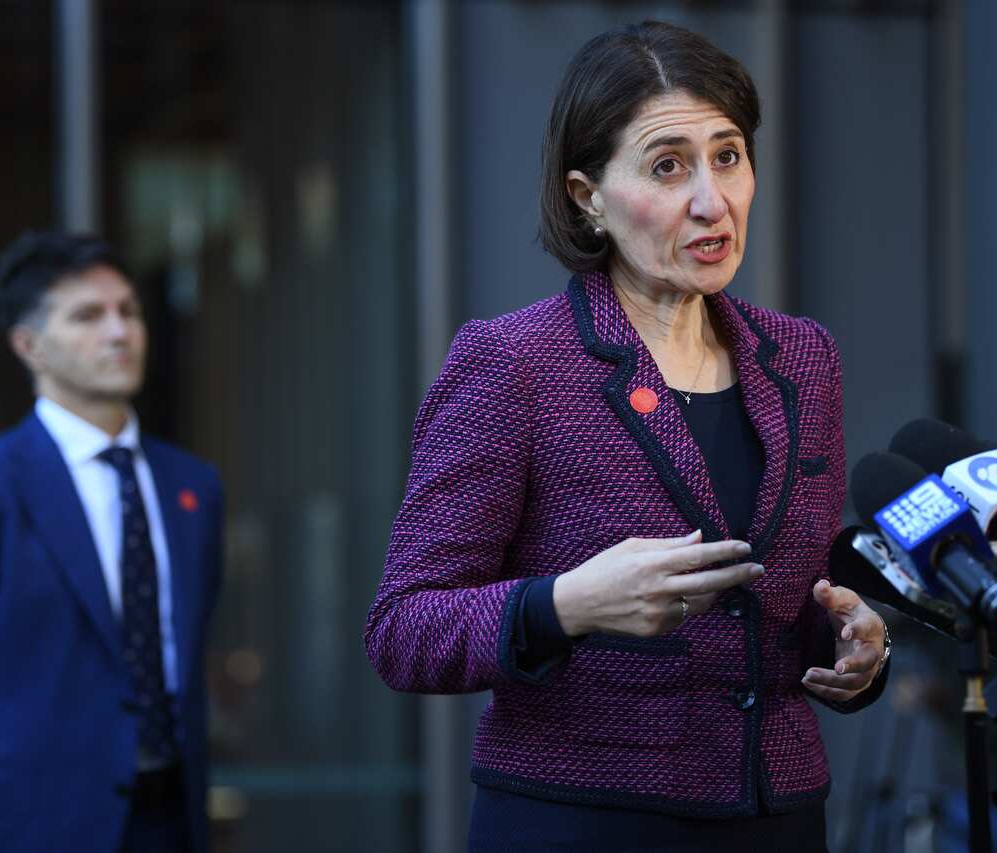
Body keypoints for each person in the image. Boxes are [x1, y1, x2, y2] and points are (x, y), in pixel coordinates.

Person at [366, 21, 891, 852]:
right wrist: (566, 604)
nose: (711, 201)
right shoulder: (513, 363)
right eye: (667, 166)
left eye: (728, 155)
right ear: (588, 197)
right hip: (581, 820)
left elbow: (799, 595)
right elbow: (403, 628)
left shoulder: (802, 355)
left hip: (778, 815)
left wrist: (856, 641)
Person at [0, 232, 224, 853]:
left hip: (172, 824)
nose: (120, 333)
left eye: (129, 311)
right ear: (28, 344)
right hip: (24, 828)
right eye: (88, 316)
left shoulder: (191, 487)